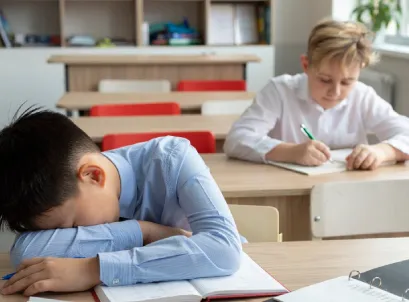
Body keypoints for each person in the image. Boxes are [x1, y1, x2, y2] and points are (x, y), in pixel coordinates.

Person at [0, 106, 241, 296]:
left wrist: (94, 269)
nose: (78, 234)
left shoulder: (173, 159)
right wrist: (143, 232)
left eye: (72, 226)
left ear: (94, 176)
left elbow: (224, 250)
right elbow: (26, 252)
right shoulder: (71, 187)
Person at [224, 19, 409, 170]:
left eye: (347, 82)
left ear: (360, 70)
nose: (335, 92)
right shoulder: (279, 91)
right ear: (306, 65)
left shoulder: (363, 96)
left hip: (348, 192)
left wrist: (382, 152)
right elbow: (237, 139)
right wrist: (291, 152)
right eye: (325, 80)